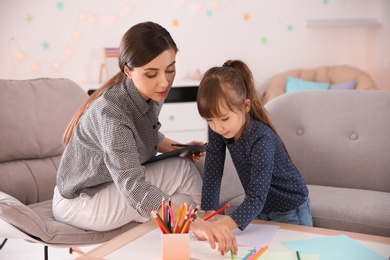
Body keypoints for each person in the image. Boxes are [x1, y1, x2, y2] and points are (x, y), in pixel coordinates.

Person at [52, 21, 203, 233]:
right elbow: (134, 188)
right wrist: (200, 225)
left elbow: (145, 134)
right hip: (81, 202)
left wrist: (181, 147)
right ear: (128, 71)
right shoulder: (112, 113)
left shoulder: (146, 93)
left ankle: (189, 240)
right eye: (152, 74)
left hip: (106, 188)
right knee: (183, 172)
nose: (164, 82)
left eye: (170, 70)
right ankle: (209, 229)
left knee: (182, 200)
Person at [191, 59, 313, 256]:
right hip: (260, 210)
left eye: (223, 119)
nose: (217, 127)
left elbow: (256, 197)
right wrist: (207, 218)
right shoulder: (219, 127)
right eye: (209, 120)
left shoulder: (261, 138)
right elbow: (213, 172)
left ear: (245, 106)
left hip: (290, 210)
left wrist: (222, 226)